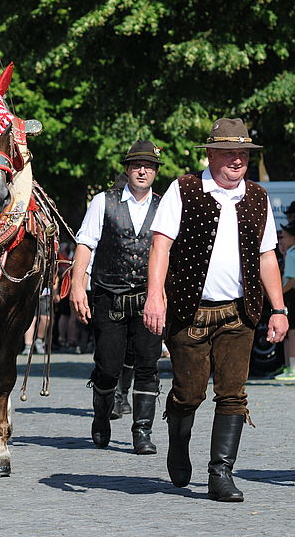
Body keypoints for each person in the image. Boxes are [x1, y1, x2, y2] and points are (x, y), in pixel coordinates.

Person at [143, 118, 288, 502]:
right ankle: (178, 435)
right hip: (189, 311)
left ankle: (220, 472)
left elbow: (267, 256)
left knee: (233, 395)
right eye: (228, 153)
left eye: (242, 153)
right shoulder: (184, 189)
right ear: (210, 155)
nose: (237, 160)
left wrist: (279, 308)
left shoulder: (257, 196)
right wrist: (155, 296)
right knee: (189, 393)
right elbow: (160, 246)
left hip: (239, 313)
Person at [70, 140, 164, 454]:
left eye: (148, 166)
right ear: (126, 169)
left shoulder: (164, 207)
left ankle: (142, 432)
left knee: (148, 366)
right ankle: (101, 417)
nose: (142, 171)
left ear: (155, 172)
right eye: (136, 165)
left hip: (148, 299)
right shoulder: (103, 201)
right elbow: (85, 244)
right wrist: (76, 286)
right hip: (109, 297)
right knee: (108, 367)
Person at [274, 222, 295, 381]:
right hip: (289, 296)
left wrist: (278, 294)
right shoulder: (290, 253)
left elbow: (292, 280)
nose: (282, 240)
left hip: (291, 296)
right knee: (289, 334)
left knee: (292, 333)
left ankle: (292, 368)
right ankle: (289, 366)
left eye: (285, 237)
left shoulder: (293, 254)